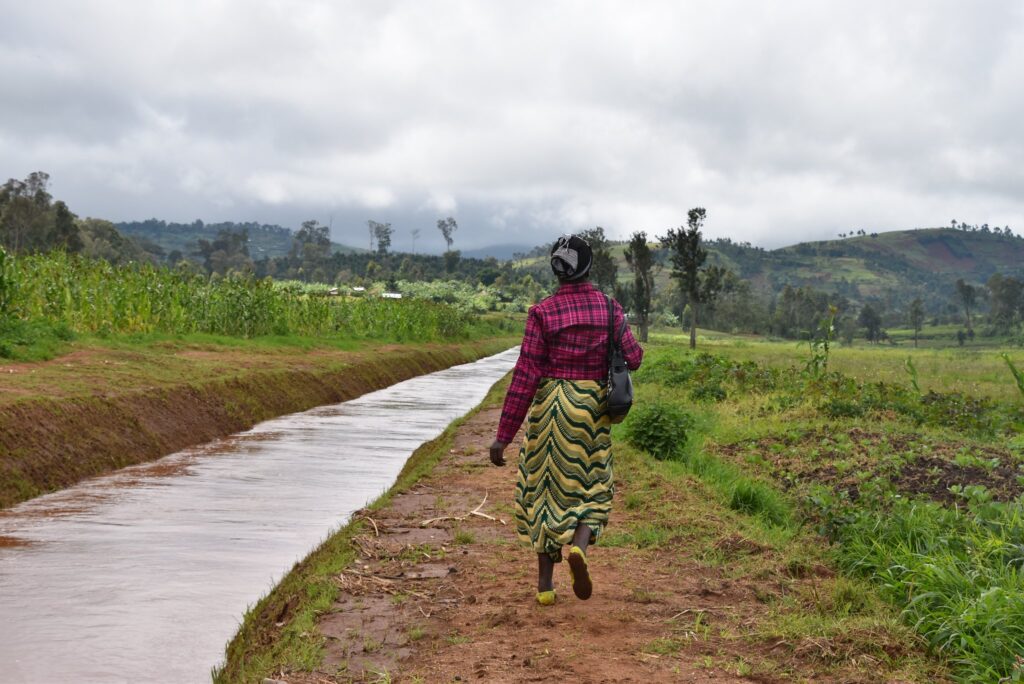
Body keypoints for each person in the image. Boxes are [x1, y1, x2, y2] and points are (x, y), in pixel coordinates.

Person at [489, 234, 643, 606]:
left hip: (550, 409)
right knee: (593, 484)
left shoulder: (543, 313)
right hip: (591, 409)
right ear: (589, 267)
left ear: (557, 270)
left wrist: (503, 436)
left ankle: (544, 587)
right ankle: (579, 546)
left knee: (541, 489)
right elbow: (634, 358)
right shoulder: (609, 309)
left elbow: (525, 375)